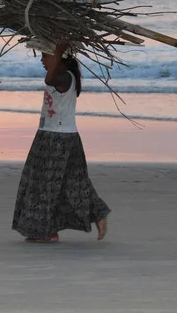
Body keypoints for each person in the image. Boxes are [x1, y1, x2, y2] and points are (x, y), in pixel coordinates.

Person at [12, 38, 110, 243]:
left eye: (44, 56)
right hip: (49, 135)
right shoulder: (62, 75)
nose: (42, 61)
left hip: (59, 139)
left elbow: (49, 80)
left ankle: (50, 229)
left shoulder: (64, 76)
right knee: (62, 183)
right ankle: (53, 229)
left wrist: (58, 50)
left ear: (60, 58)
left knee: (50, 185)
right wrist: (58, 51)